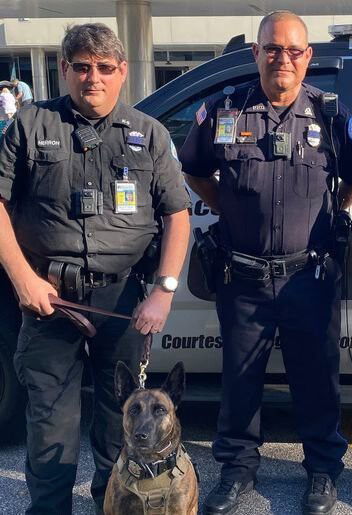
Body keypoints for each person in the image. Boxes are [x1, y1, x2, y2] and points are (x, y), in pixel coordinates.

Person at [0, 23, 191, 514]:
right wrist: (22, 278)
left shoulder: (149, 134)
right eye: (82, 67)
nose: (94, 78)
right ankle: (49, 508)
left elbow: (177, 214)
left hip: (123, 298)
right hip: (49, 298)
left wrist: (164, 291)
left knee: (118, 416)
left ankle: (114, 501)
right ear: (63, 69)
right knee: (50, 420)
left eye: (105, 68)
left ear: (122, 72)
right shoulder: (29, 124)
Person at [179, 10, 352, 515]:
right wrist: (228, 208)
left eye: (294, 49)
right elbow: (194, 172)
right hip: (244, 275)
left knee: (317, 378)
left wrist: (334, 217)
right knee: (240, 380)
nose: (283, 57)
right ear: (256, 53)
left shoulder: (329, 114)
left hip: (310, 274)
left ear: (308, 58)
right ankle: (237, 472)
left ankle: (323, 471)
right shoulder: (224, 110)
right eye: (273, 48)